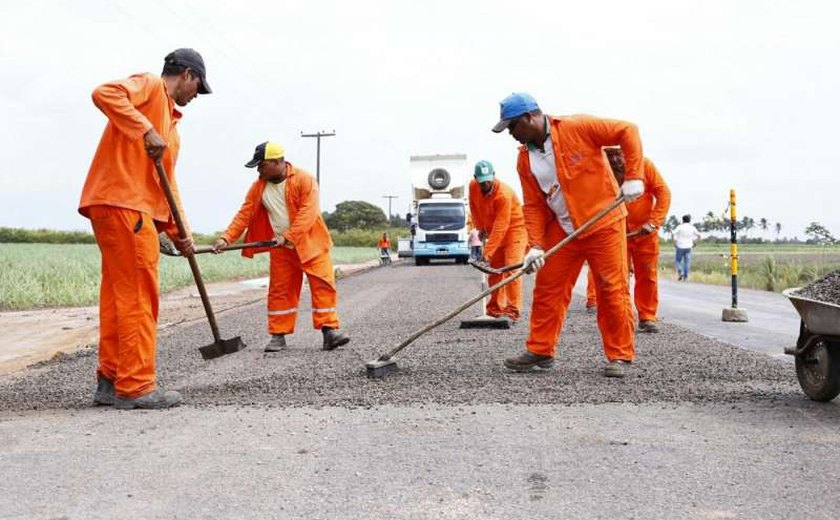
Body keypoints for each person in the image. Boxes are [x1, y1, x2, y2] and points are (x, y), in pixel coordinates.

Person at [78, 48, 212, 409]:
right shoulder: (151, 88)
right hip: (125, 205)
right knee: (139, 297)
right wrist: (146, 129)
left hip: (117, 205)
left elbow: (166, 182)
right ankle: (136, 385)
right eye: (198, 86)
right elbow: (103, 92)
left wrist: (180, 231)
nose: (196, 96)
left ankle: (109, 381)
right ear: (186, 74)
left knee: (118, 299)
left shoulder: (171, 125)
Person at [492, 92, 644, 378]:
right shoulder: (525, 160)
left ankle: (620, 355)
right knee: (548, 289)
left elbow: (628, 130)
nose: (511, 134)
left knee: (612, 290)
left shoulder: (578, 127)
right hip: (563, 229)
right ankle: (540, 350)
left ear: (529, 118)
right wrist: (535, 245)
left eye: (512, 127)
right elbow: (534, 204)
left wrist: (635, 176)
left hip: (604, 224)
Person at [212, 141, 350, 353]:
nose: (258, 170)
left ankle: (329, 332)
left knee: (322, 285)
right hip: (281, 248)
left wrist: (289, 236)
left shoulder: (304, 180)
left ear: (277, 162)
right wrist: (226, 238)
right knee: (280, 291)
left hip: (311, 243)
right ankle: (278, 336)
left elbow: (308, 213)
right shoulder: (259, 186)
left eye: (261, 165)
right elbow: (244, 214)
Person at [585, 148, 671, 333]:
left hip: (645, 233)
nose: (615, 160)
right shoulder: (600, 172)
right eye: (610, 156)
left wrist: (654, 222)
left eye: (619, 154)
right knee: (617, 277)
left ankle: (647, 316)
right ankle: (621, 317)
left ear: (627, 152)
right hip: (616, 233)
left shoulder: (644, 166)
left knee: (647, 275)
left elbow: (663, 193)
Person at [468, 160, 528, 321]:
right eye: (482, 181)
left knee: (510, 270)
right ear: (476, 178)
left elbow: (502, 226)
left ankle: (512, 310)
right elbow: (473, 207)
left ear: (494, 175)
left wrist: (486, 254)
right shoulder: (473, 187)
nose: (486, 184)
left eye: (489, 179)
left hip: (515, 231)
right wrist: (480, 226)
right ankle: (495, 309)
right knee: (494, 272)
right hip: (494, 231)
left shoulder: (504, 195)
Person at [672, 214, 701, 281]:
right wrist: (695, 244)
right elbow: (699, 236)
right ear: (689, 220)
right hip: (689, 247)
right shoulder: (692, 227)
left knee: (677, 261)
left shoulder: (680, 227)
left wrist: (674, 243)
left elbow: (673, 234)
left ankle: (681, 271)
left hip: (680, 246)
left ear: (683, 220)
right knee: (687, 262)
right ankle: (686, 278)